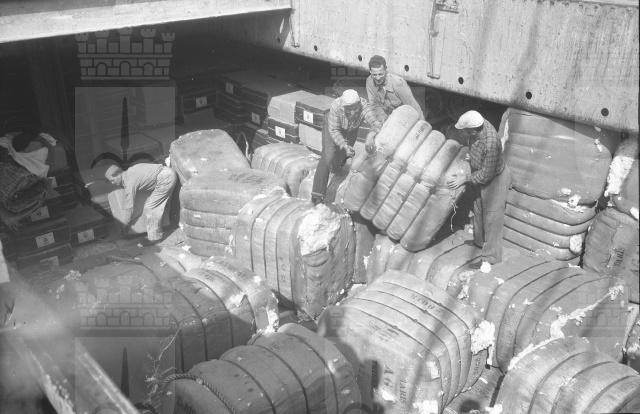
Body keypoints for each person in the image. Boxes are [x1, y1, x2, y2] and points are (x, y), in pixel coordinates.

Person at [446, 110, 511, 268]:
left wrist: (464, 179)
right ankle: (479, 242)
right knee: (478, 209)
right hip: (480, 172)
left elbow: (486, 175)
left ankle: (491, 257)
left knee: (492, 218)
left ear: (474, 131)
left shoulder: (491, 143)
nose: (463, 133)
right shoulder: (478, 124)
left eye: (465, 131)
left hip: (495, 179)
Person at [311, 89, 382, 205]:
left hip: (352, 128)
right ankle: (317, 195)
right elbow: (334, 130)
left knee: (344, 154)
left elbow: (376, 123)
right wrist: (344, 145)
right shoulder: (336, 107)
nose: (353, 112)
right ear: (343, 107)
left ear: (359, 104)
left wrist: (371, 135)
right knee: (328, 156)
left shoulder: (364, 106)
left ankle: (336, 167)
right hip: (333, 127)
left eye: (355, 108)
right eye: (349, 109)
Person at [105, 163, 177, 245]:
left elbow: (129, 207)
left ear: (118, 174)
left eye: (112, 180)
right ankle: (162, 228)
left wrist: (125, 224)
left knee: (151, 207)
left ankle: (155, 238)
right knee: (153, 203)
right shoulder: (130, 171)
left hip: (165, 178)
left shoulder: (129, 182)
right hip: (166, 173)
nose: (112, 183)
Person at [366, 55, 425, 122]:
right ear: (370, 71)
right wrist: (382, 122)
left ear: (385, 70)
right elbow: (374, 105)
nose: (378, 78)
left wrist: (423, 124)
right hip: (387, 117)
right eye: (374, 75)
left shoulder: (398, 83)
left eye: (380, 74)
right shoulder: (369, 82)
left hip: (404, 117)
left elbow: (414, 108)